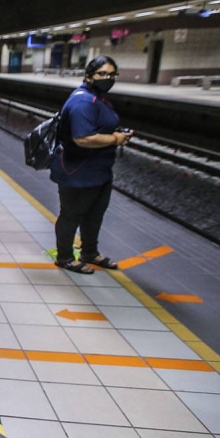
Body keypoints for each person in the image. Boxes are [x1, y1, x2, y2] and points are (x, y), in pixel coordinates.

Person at [50, 55, 132, 274]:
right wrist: (116, 139)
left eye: (112, 74)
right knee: (71, 214)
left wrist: (115, 134)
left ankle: (89, 252)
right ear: (89, 76)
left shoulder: (98, 97)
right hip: (78, 171)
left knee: (95, 214)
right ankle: (65, 257)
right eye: (102, 74)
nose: (108, 78)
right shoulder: (83, 101)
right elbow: (82, 138)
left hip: (99, 170)